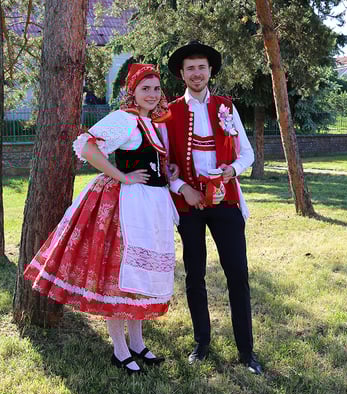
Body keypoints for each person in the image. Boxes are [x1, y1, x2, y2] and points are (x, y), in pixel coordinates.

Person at [23, 64, 179, 375]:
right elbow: (87, 146)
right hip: (129, 206)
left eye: (156, 89)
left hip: (153, 206)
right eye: (145, 89)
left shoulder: (153, 122)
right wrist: (122, 176)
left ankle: (138, 343)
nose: (151, 94)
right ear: (132, 92)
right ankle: (120, 350)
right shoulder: (124, 119)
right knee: (120, 277)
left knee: (140, 276)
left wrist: (167, 170)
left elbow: (151, 160)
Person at [164, 40, 263, 375]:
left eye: (202, 68)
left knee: (237, 273)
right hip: (189, 204)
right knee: (195, 274)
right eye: (190, 68)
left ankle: (246, 351)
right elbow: (163, 163)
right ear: (182, 74)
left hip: (226, 201)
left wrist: (231, 170)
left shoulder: (226, 107)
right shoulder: (170, 112)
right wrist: (182, 188)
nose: (196, 74)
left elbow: (246, 153)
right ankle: (202, 343)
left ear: (210, 72)